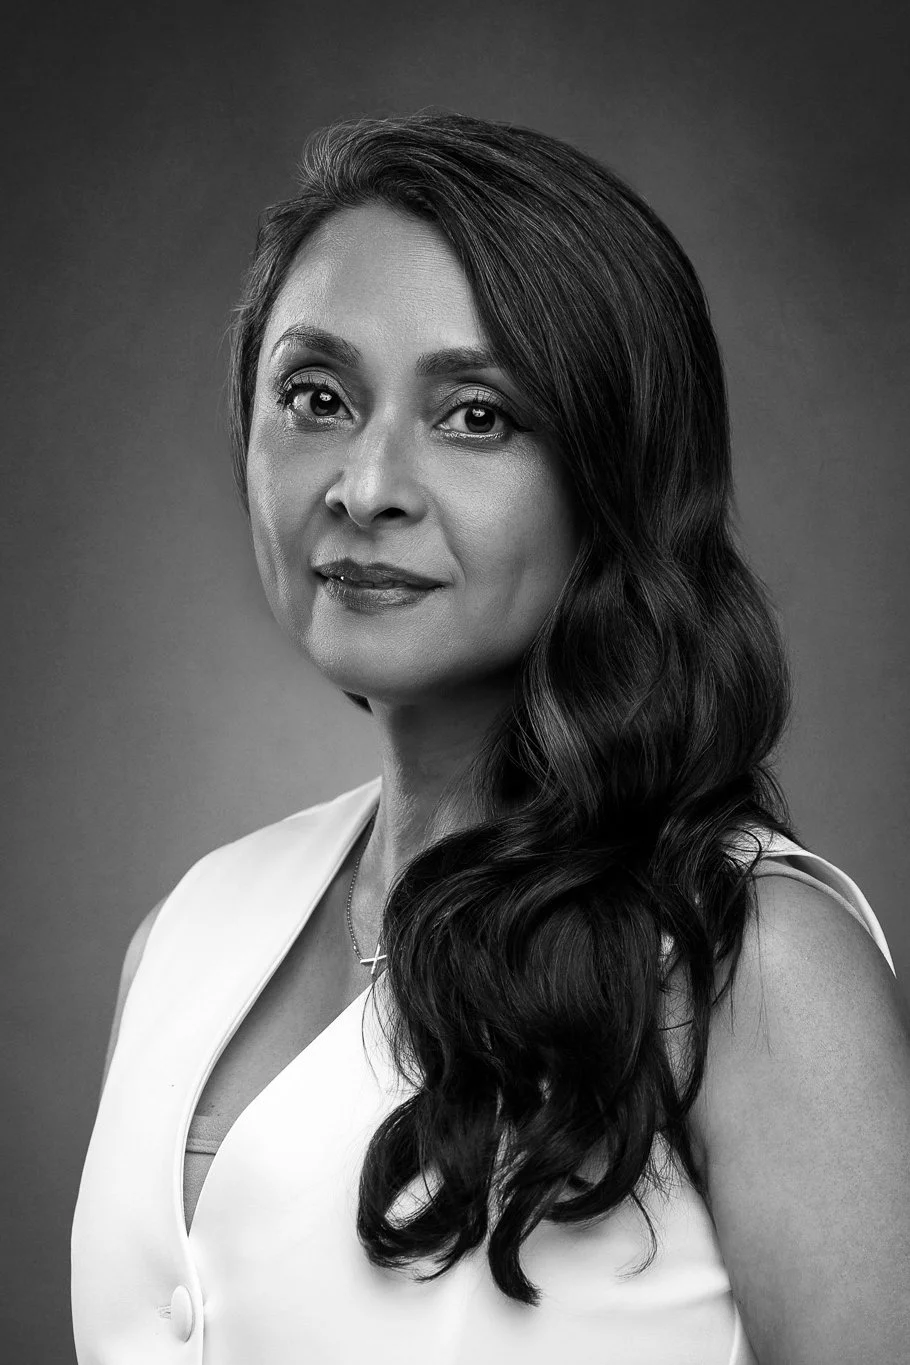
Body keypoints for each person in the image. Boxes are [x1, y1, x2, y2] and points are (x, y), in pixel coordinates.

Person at [71, 111, 910, 1365]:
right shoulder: (188, 928)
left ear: (612, 479)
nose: (365, 486)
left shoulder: (749, 962)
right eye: (315, 397)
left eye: (475, 417)